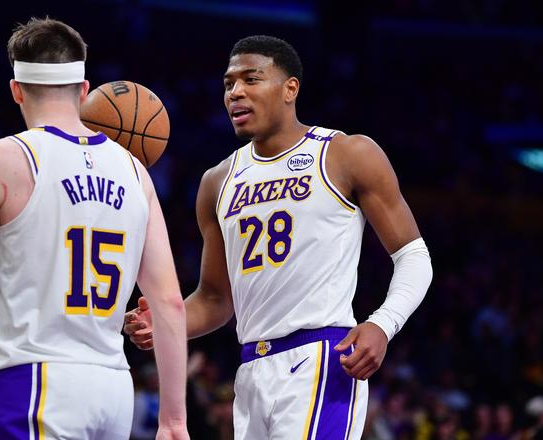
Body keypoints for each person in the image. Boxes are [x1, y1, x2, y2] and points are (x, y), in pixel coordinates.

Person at [124, 35, 432, 439]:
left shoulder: (345, 154)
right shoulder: (217, 181)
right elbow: (215, 299)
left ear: (290, 89)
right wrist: (166, 320)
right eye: (228, 83)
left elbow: (414, 257)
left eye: (251, 79)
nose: (235, 92)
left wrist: (382, 324)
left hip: (321, 359)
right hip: (252, 369)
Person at [0, 17, 188, 440]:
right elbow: (170, 304)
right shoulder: (135, 172)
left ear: (16, 90)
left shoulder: (2, 159)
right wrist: (174, 421)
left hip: (37, 378)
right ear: (84, 90)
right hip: (113, 387)